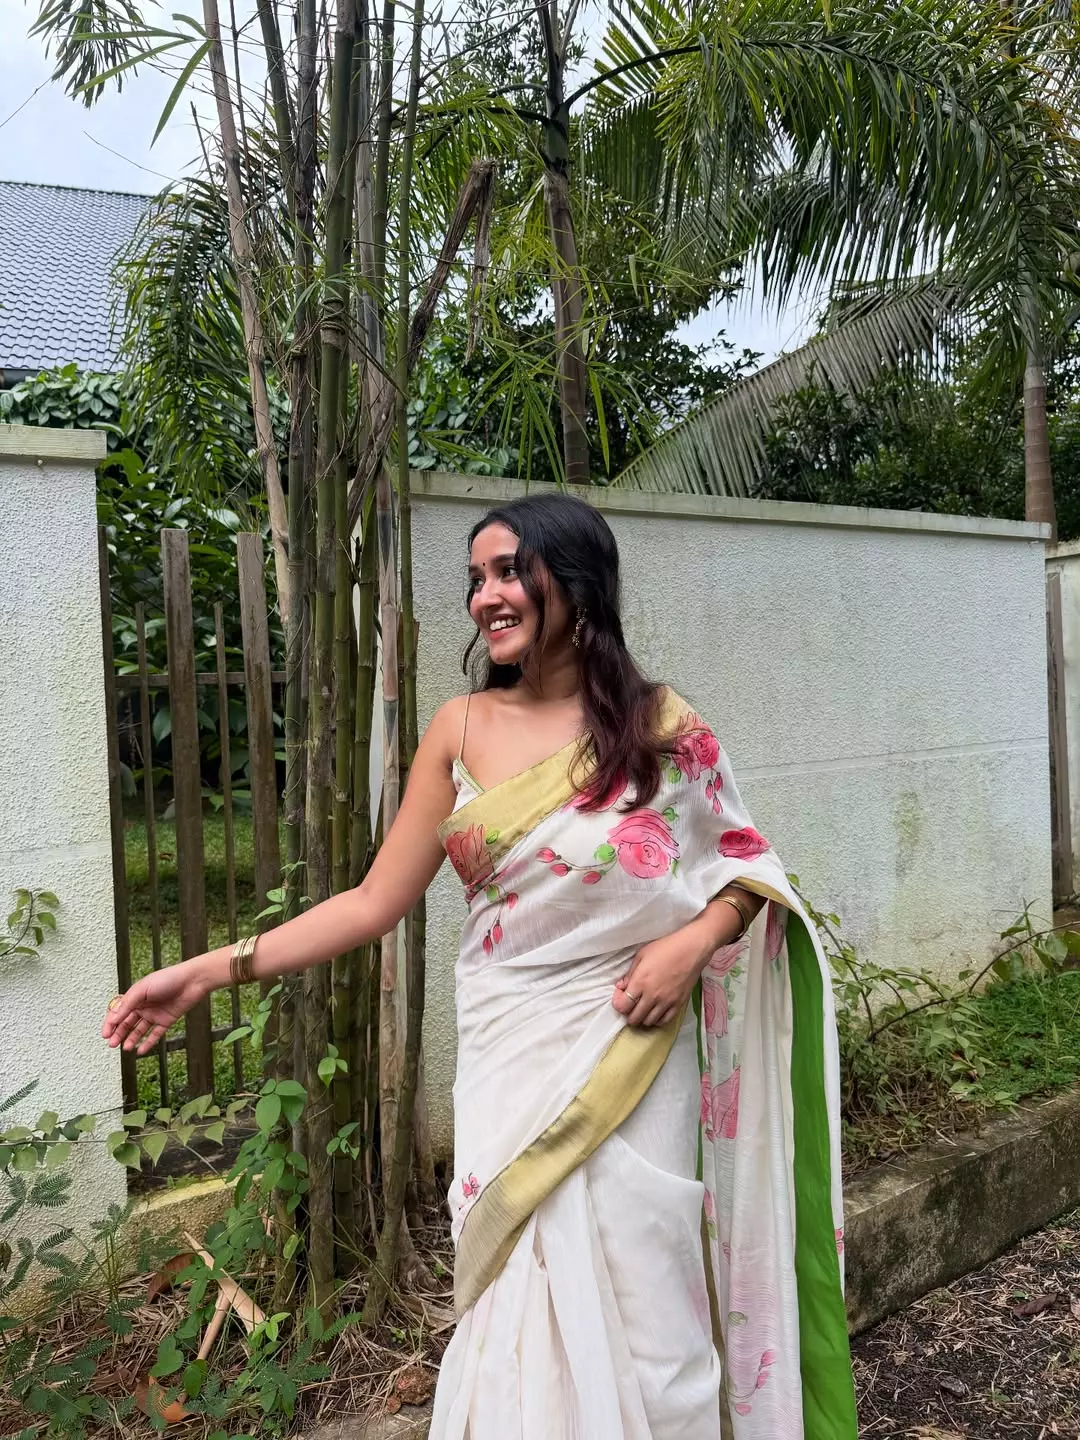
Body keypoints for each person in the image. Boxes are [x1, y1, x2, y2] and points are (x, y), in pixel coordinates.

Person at [103, 492, 857, 1438]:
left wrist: (693, 942)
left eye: (509, 572)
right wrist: (212, 969)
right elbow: (373, 903)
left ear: (576, 584)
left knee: (652, 1306)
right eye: (476, 579)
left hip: (634, 1045)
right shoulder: (457, 728)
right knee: (515, 1298)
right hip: (511, 1054)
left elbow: (747, 867)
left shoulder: (664, 726)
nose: (486, 597)